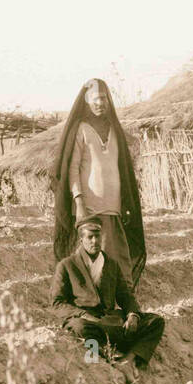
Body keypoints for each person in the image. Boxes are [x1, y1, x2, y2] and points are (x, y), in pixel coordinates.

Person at [51, 77, 146, 288]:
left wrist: (126, 203)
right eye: (95, 99)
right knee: (90, 263)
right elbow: (72, 169)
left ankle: (122, 304)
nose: (99, 103)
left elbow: (123, 169)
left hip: (114, 209)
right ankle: (90, 307)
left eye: (103, 98)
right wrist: (79, 203)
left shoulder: (115, 130)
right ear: (86, 100)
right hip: (90, 209)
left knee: (118, 260)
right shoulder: (81, 129)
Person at [51, 214, 165, 384]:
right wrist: (82, 313)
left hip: (111, 322)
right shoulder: (67, 265)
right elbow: (57, 303)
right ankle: (109, 358)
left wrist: (133, 314)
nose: (94, 241)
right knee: (79, 328)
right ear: (81, 239)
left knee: (156, 322)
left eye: (98, 236)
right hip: (88, 323)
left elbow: (125, 295)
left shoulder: (111, 264)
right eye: (89, 237)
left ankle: (129, 359)